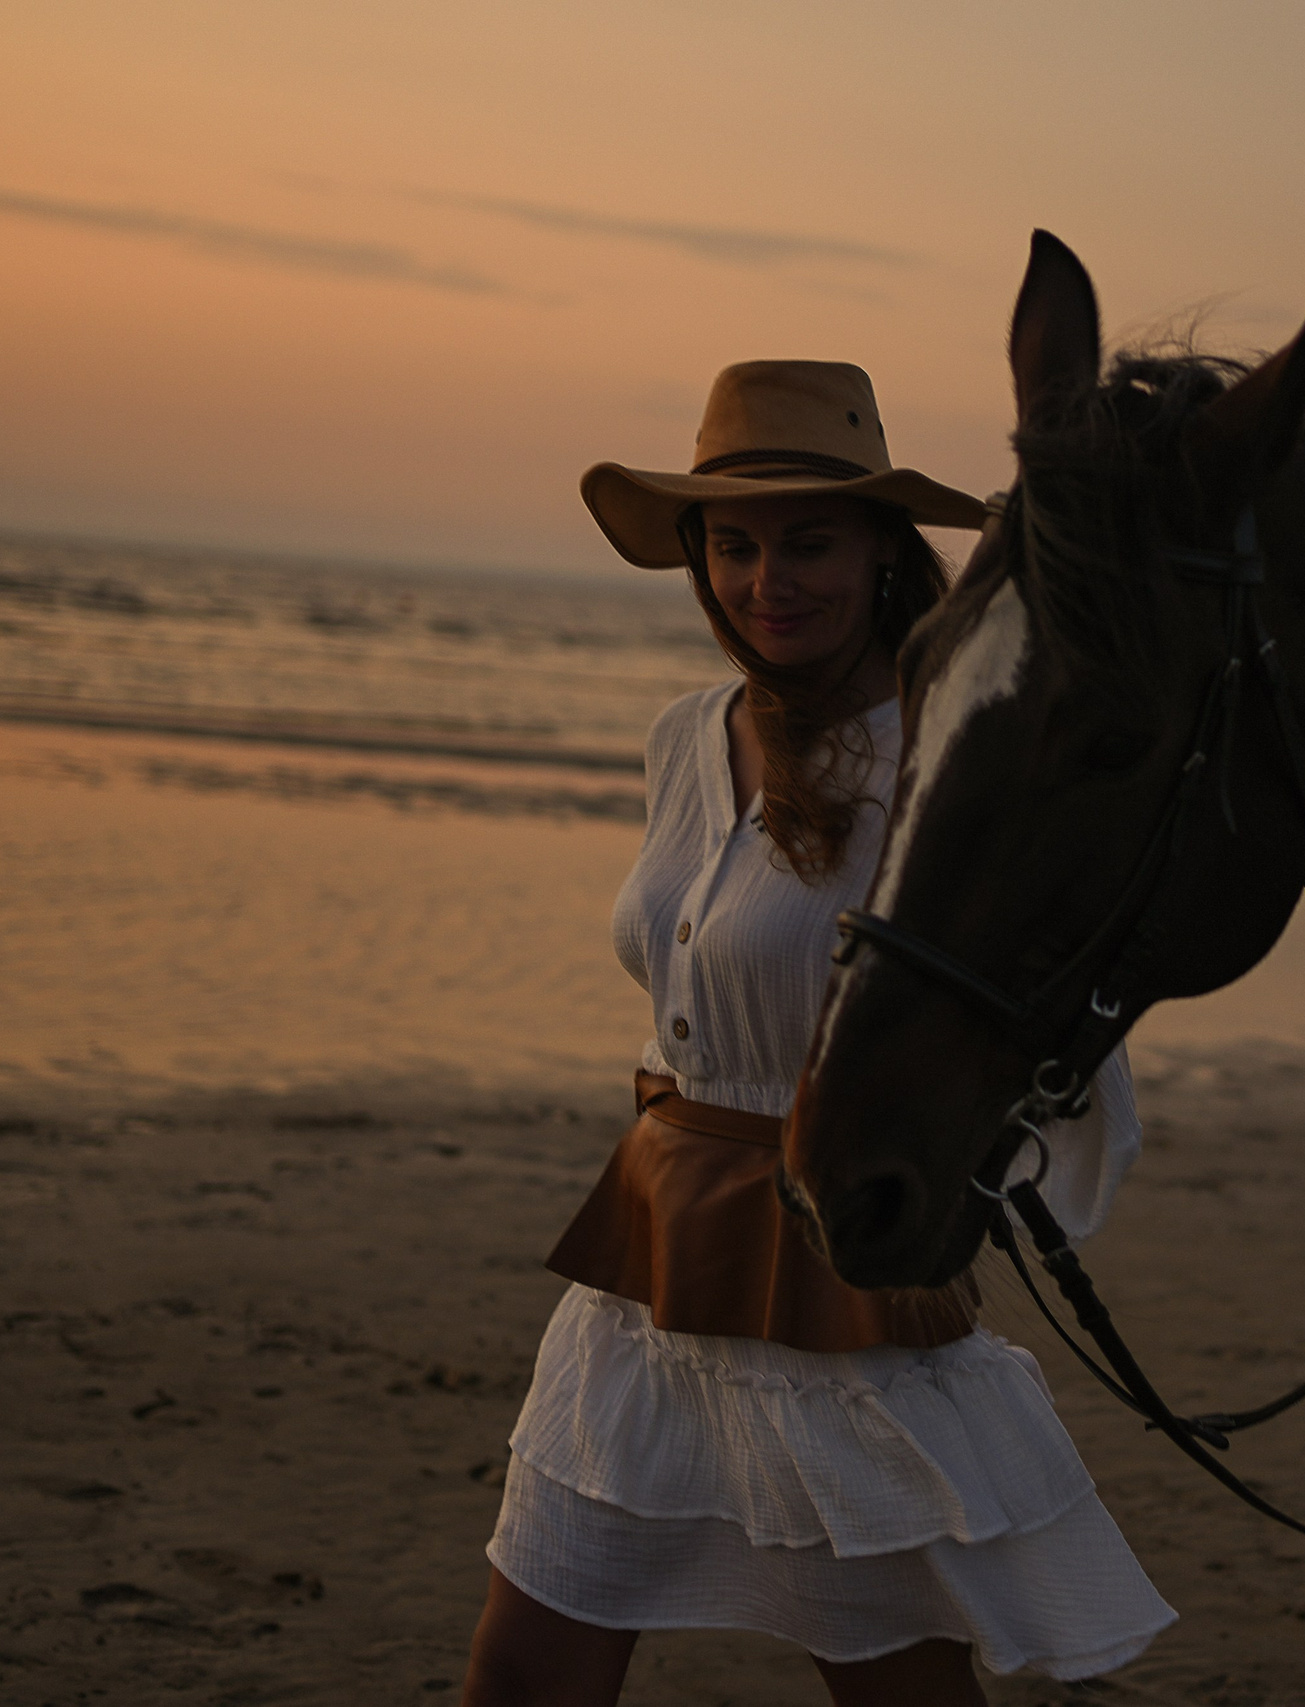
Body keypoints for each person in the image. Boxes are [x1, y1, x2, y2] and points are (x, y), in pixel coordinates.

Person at [460, 362, 1174, 1707]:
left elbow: (1041, 998)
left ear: (881, 555)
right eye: (733, 544)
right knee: (524, 1671)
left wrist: (981, 1180)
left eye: (808, 542)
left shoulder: (936, 751)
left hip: (829, 1277)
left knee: (895, 1691)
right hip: (647, 1264)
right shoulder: (685, 737)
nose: (765, 579)